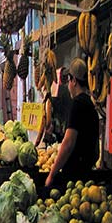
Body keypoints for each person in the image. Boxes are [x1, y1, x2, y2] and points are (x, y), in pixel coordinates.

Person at [45, 57, 99, 187]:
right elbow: (96, 150)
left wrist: (52, 174)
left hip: (74, 178)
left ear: (74, 81)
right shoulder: (91, 106)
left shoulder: (77, 104)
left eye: (69, 80)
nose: (68, 85)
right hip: (87, 176)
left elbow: (68, 143)